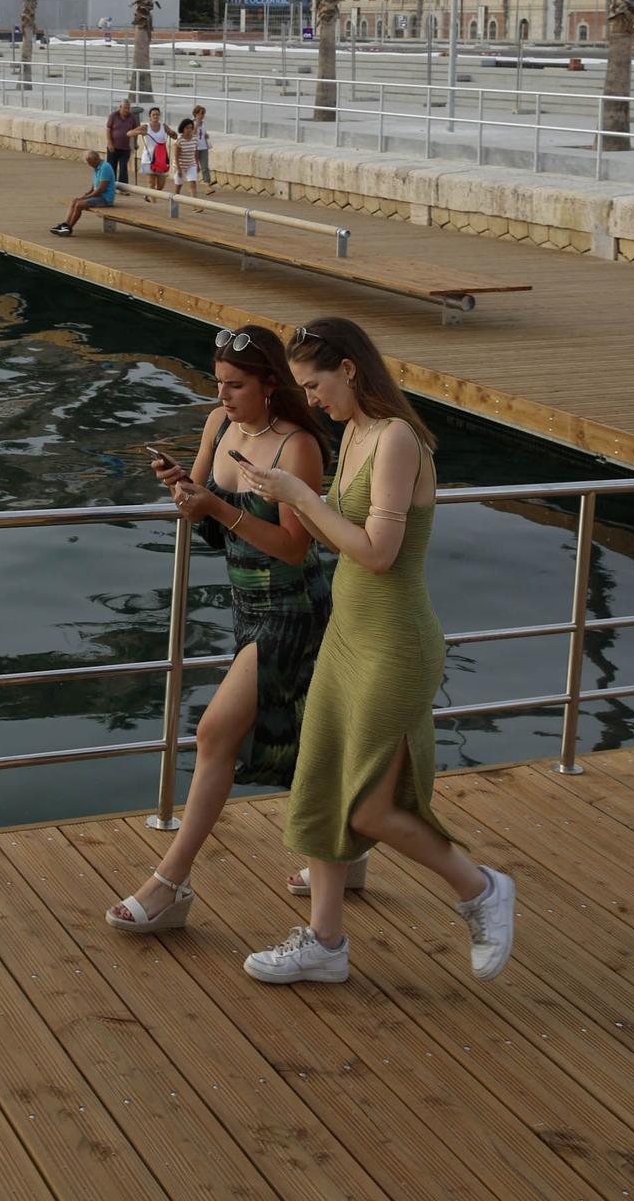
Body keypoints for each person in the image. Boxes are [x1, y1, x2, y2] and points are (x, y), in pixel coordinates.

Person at [238, 317, 515, 986]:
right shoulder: (353, 432)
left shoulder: (395, 439)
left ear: (350, 369)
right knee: (322, 783)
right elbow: (337, 537)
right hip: (346, 634)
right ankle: (324, 944)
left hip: (394, 643)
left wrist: (300, 495)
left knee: (367, 805)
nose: (313, 399)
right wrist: (273, 497)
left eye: (316, 384)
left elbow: (377, 553)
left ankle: (480, 889)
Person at [107, 325, 338, 932]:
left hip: (294, 609)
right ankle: (349, 853)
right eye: (217, 383)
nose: (223, 395)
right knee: (311, 737)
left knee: (214, 734)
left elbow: (293, 548)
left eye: (235, 385)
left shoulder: (298, 449)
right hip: (245, 606)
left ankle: (169, 884)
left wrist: (219, 508)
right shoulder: (218, 426)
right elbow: (211, 528)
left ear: (270, 384)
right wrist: (186, 491)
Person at [52, 150, 116, 235]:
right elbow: (95, 184)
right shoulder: (97, 166)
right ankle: (65, 224)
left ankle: (69, 228)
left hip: (105, 198)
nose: (89, 165)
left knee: (79, 204)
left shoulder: (105, 168)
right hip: (98, 196)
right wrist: (88, 193)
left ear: (96, 159)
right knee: (75, 201)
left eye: (90, 162)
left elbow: (101, 189)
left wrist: (86, 197)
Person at [136, 106, 176, 191]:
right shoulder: (146, 127)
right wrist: (139, 132)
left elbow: (175, 136)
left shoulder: (163, 126)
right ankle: (152, 201)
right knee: (151, 183)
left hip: (161, 159)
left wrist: (172, 133)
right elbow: (129, 133)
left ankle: (149, 195)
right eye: (153, 115)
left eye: (157, 115)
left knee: (161, 185)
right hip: (148, 158)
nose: (155, 116)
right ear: (149, 116)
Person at [104, 96, 136, 186]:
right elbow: (108, 129)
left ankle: (123, 187)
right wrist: (110, 143)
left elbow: (135, 130)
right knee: (111, 167)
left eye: (128, 108)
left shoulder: (132, 117)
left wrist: (135, 144)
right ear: (120, 107)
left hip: (125, 148)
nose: (127, 110)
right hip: (113, 146)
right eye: (125, 108)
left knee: (123, 167)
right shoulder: (113, 116)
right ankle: (110, 186)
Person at [172, 117, 201, 196]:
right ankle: (175, 204)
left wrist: (197, 164)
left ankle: (195, 205)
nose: (189, 130)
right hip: (180, 166)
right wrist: (179, 169)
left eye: (191, 128)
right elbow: (176, 156)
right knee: (178, 187)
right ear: (183, 128)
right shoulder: (179, 140)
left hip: (191, 164)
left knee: (193, 183)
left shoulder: (195, 139)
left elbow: (196, 152)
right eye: (187, 128)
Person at [193, 105, 214, 189]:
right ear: (196, 113)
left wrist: (206, 135)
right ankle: (192, 184)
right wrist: (196, 125)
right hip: (195, 148)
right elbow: (192, 134)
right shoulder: (191, 123)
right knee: (195, 167)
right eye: (201, 113)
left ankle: (207, 186)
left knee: (205, 167)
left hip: (204, 147)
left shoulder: (204, 123)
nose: (202, 115)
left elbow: (203, 133)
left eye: (203, 113)